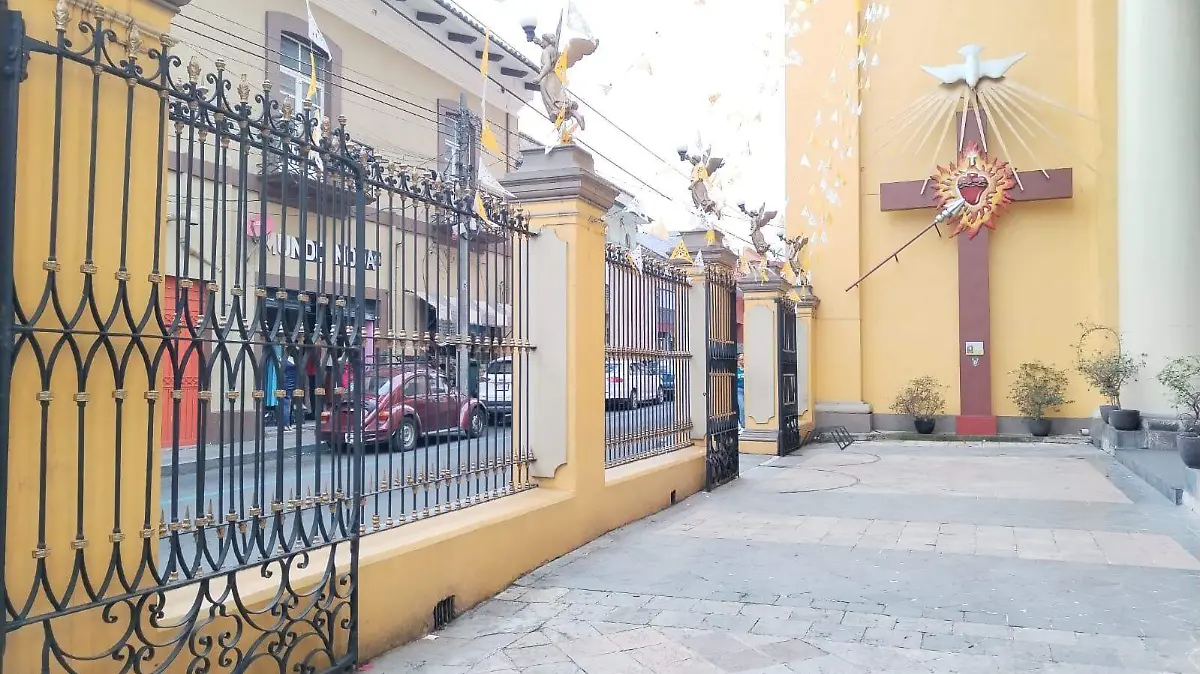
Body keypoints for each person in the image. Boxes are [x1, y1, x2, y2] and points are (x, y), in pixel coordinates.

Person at [282, 356, 298, 431]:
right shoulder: (294, 360)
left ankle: (286, 424)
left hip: (286, 382)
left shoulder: (287, 361)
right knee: (288, 401)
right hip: (291, 382)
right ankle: (288, 423)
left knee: (286, 401)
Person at [736, 353, 745, 431]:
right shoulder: (737, 370)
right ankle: (743, 424)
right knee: (741, 407)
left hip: (748, 390)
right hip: (739, 390)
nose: (743, 361)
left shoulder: (748, 369)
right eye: (741, 359)